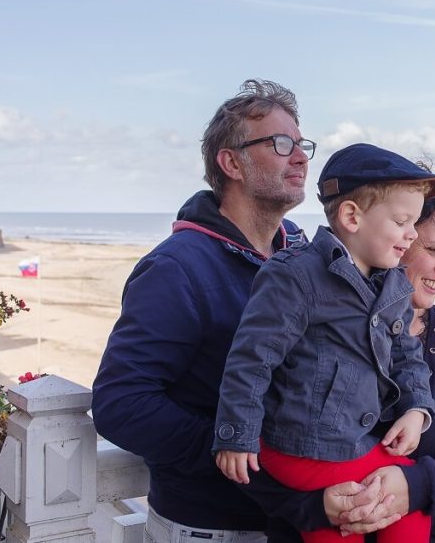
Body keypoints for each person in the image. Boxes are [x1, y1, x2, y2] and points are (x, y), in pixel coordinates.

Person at [93, 79, 341, 542]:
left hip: (297, 522)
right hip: (212, 527)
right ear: (232, 163)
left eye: (302, 143)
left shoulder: (306, 258)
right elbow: (121, 404)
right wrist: (239, 449)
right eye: (281, 143)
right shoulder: (177, 267)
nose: (302, 156)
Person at [251, 166, 435, 543]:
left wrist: (415, 485)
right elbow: (256, 441)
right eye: (434, 248)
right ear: (390, 234)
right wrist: (314, 508)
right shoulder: (310, 319)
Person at [213, 143, 435, 543]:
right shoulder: (297, 276)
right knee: (349, 515)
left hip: (354, 442)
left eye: (416, 223)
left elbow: (407, 355)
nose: (412, 235)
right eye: (403, 221)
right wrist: (236, 436)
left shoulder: (394, 284)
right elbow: (252, 359)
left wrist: (417, 409)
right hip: (299, 446)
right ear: (352, 216)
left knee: (409, 511)